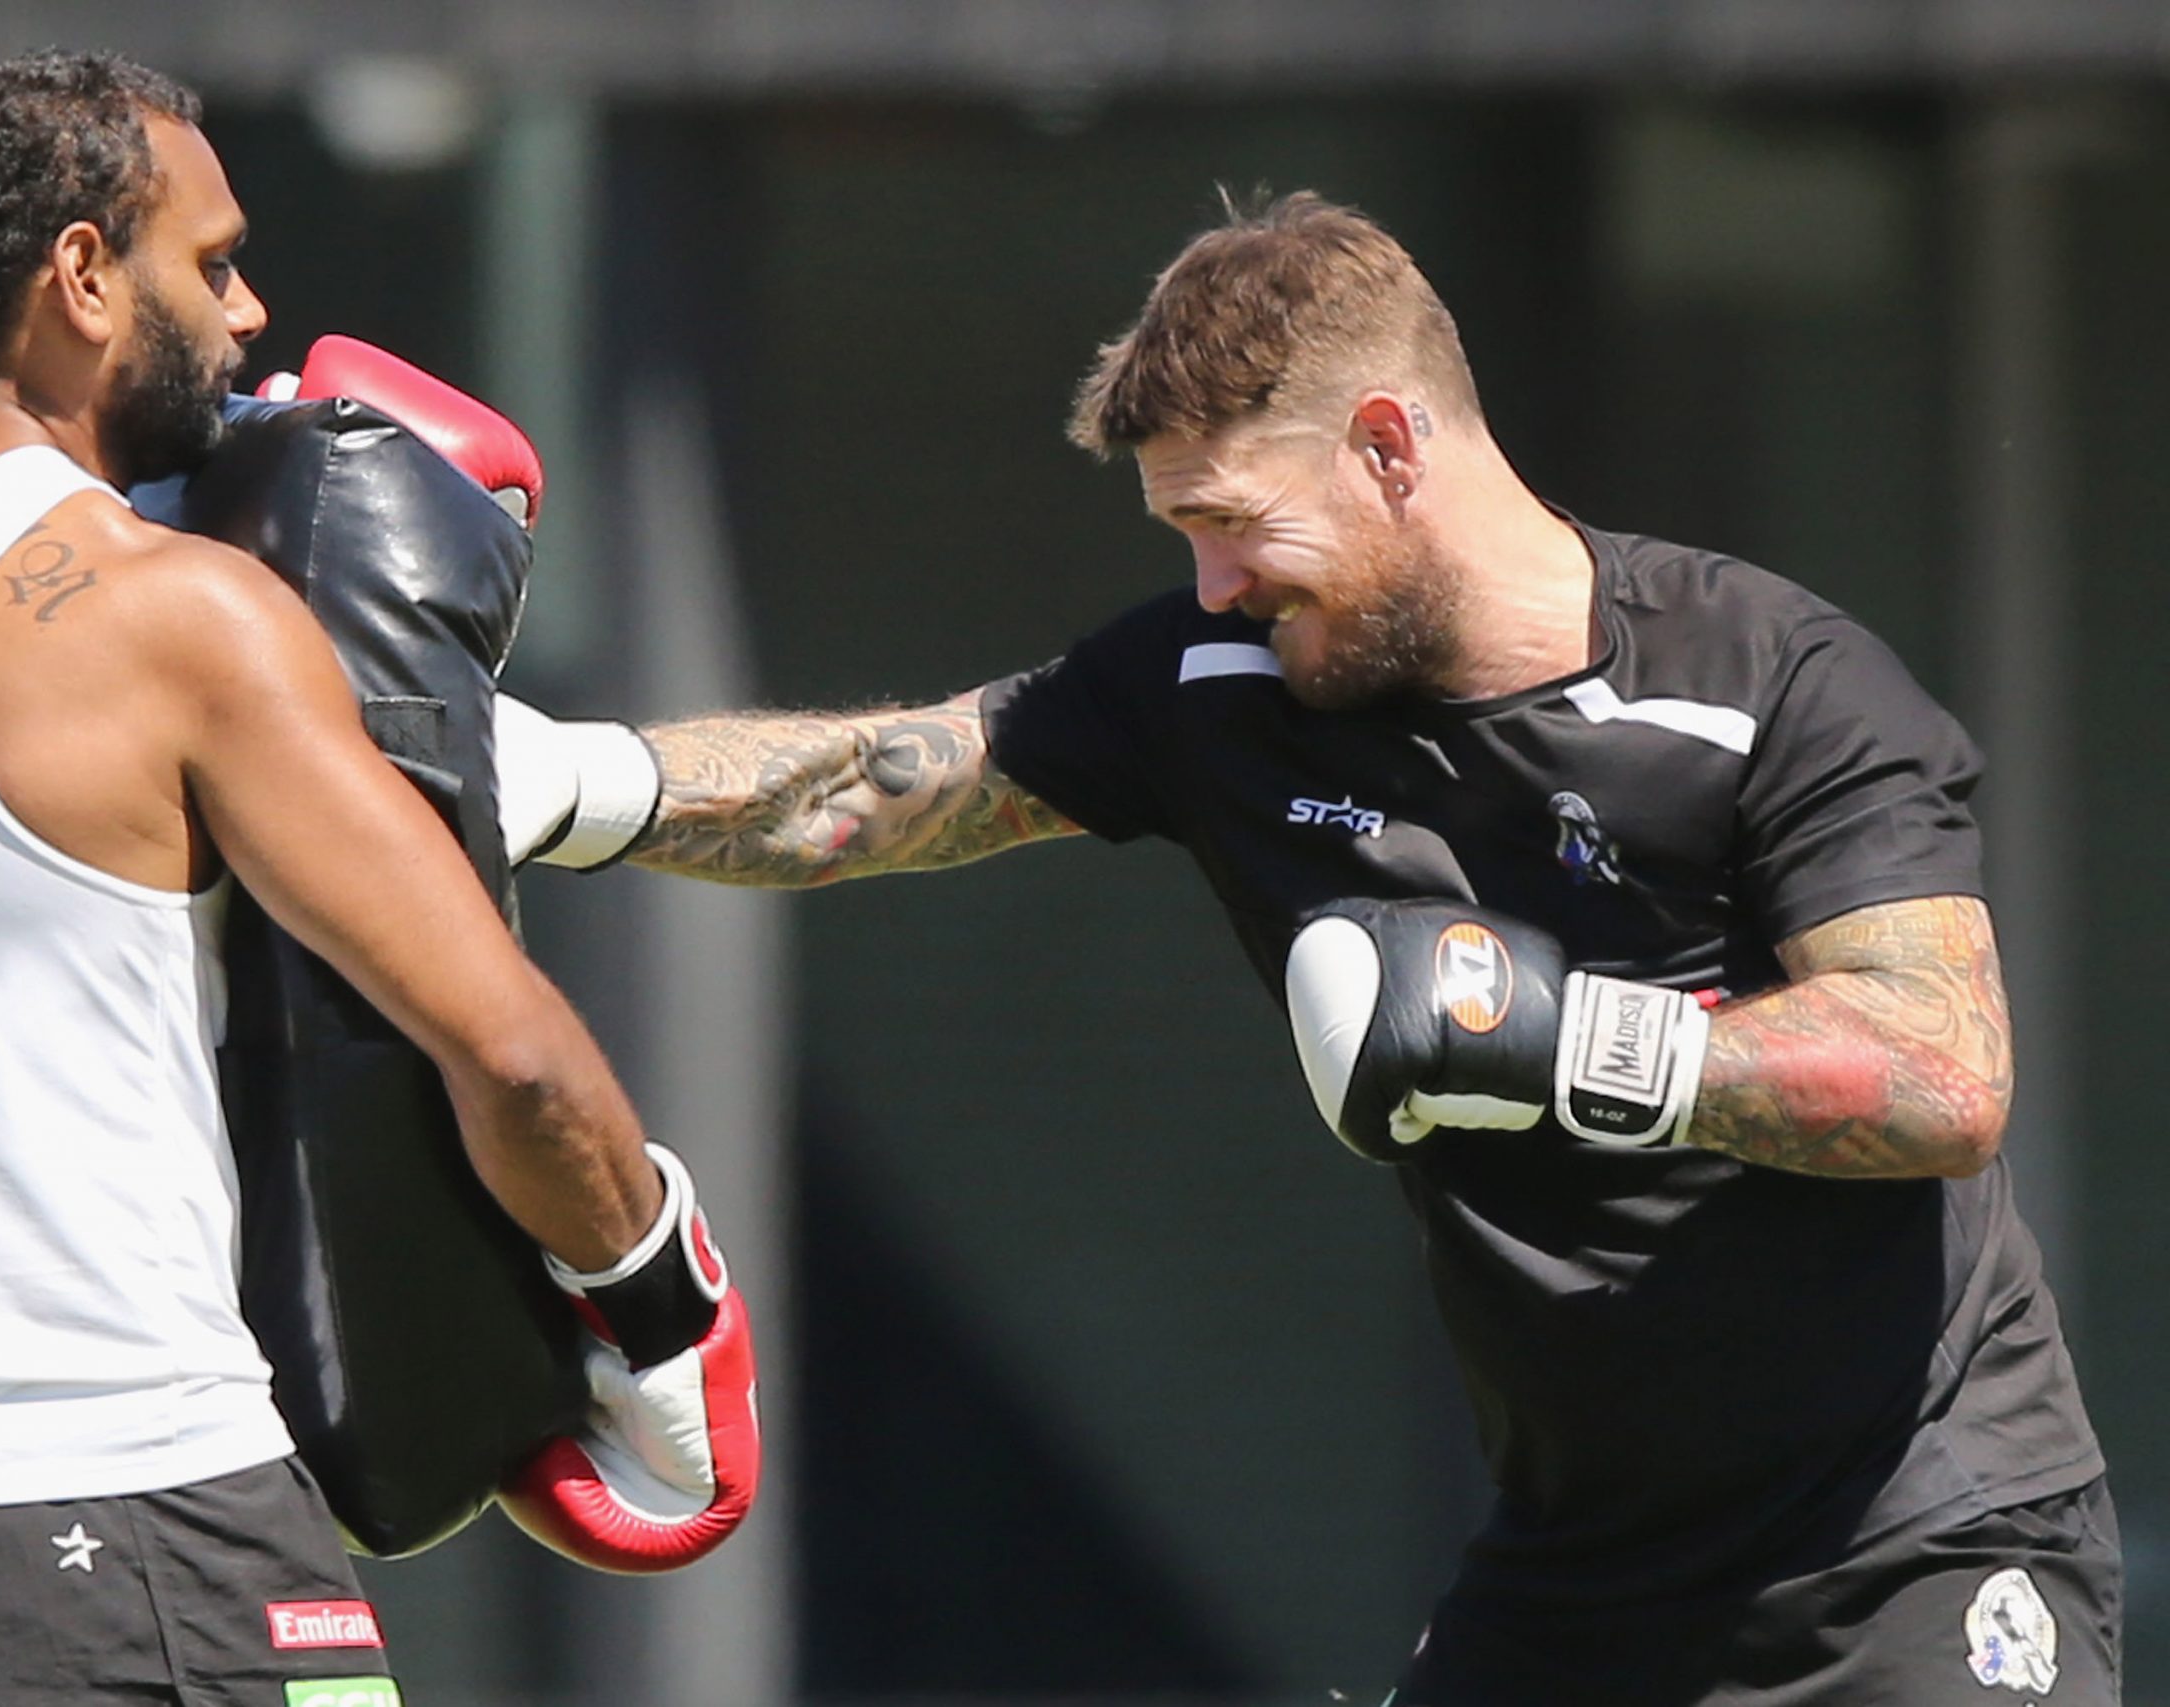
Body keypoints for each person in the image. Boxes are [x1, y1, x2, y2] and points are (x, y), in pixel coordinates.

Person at [500, 192, 2117, 1704]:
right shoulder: (1221, 679)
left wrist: (1569, 1045)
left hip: (1912, 1536)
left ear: (1389, 446)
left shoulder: (1771, 679)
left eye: (1228, 521)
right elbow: (880, 786)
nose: (1208, 582)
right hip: (1579, 1569)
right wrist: (563, 782)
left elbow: (1943, 1075)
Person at [0, 52, 752, 1707]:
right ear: (78, 275)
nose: (252, 311)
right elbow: (513, 1056)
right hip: (126, 1506)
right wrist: (656, 1291)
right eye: (208, 263)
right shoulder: (169, 613)